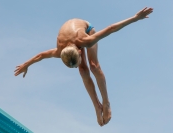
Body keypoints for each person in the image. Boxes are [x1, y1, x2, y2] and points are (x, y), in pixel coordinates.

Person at [14, 7, 153, 126]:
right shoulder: (58, 51)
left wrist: (135, 18)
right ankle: (96, 107)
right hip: (69, 39)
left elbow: (111, 28)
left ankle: (106, 103)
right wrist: (26, 64)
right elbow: (41, 55)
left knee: (93, 66)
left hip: (86, 28)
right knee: (83, 71)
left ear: (80, 52)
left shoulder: (86, 40)